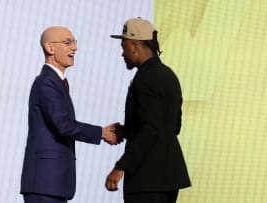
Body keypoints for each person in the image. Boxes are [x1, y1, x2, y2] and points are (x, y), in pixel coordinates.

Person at [20, 26, 117, 203]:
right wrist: (102, 132)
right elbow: (64, 125)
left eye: (74, 42)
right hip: (45, 184)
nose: (74, 48)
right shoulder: (47, 83)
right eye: (67, 42)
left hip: (52, 184)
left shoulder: (55, 82)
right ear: (50, 47)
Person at [105, 17, 191, 203]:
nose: (122, 53)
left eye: (124, 46)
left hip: (147, 180)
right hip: (169, 178)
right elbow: (172, 126)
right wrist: (129, 130)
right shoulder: (169, 75)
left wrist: (121, 166)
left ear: (134, 46)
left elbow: (151, 128)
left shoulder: (145, 78)